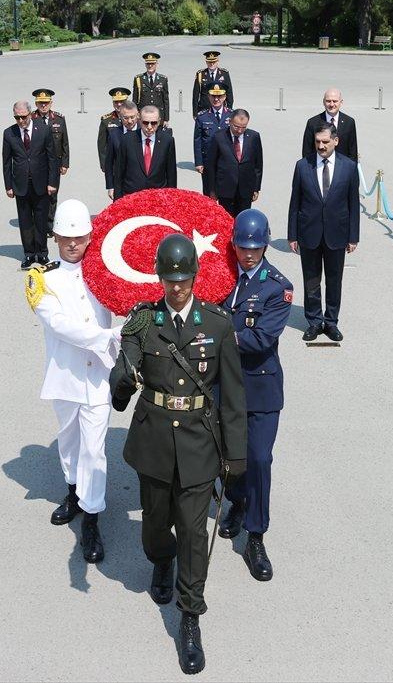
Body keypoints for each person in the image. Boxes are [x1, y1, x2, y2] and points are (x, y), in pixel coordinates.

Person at [110, 233, 247, 676]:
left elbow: (233, 398)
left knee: (193, 533)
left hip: (198, 444)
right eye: (170, 280)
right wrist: (124, 377)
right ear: (160, 277)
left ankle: (190, 619)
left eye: (184, 279)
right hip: (153, 443)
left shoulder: (218, 325)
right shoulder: (143, 321)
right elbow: (123, 365)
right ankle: (160, 560)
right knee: (155, 528)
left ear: (195, 276)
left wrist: (236, 455)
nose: (177, 288)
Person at [26, 199, 119, 564]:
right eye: (66, 238)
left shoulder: (104, 273)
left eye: (79, 237)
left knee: (94, 450)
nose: (73, 244)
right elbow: (59, 325)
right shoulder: (41, 279)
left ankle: (92, 519)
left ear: (90, 236)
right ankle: (73, 491)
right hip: (64, 375)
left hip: (98, 376)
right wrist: (108, 337)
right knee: (69, 442)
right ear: (55, 238)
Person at [217, 209, 292, 583]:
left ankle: (256, 535)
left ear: (265, 244)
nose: (248, 254)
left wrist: (219, 338)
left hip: (260, 387)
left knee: (259, 459)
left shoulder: (277, 287)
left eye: (255, 247)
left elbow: (262, 338)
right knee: (230, 458)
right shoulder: (222, 276)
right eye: (242, 246)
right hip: (226, 385)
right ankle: (237, 502)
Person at [287, 124, 359, 342]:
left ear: (335, 141)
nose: (321, 146)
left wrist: (353, 236)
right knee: (311, 280)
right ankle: (314, 321)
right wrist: (292, 235)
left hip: (337, 233)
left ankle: (331, 322)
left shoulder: (349, 167)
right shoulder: (302, 166)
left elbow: (353, 204)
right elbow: (295, 203)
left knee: (334, 280)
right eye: (318, 142)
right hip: (309, 232)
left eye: (325, 142)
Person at [2, 101, 59, 268]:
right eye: (17, 117)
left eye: (23, 117)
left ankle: (42, 253)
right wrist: (8, 186)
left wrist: (52, 182)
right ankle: (28, 254)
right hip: (20, 184)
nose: (21, 121)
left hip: (41, 183)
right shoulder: (9, 133)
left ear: (30, 114)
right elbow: (6, 162)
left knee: (41, 220)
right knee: (25, 221)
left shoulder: (43, 129)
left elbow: (52, 158)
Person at [205, 108, 262, 217]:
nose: (239, 130)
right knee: (226, 219)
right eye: (236, 126)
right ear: (230, 121)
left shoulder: (254, 137)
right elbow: (211, 165)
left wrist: (256, 188)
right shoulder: (219, 137)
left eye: (243, 127)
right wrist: (212, 189)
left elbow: (258, 165)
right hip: (225, 189)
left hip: (246, 189)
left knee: (243, 219)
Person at [112, 105, 176, 200]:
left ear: (159, 122)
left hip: (158, 199)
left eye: (153, 123)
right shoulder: (127, 140)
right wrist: (117, 202)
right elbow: (119, 173)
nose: (149, 127)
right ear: (139, 120)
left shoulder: (167, 141)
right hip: (131, 198)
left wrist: (172, 200)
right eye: (145, 123)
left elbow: (171, 174)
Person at [31, 88, 69, 231]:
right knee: (37, 193)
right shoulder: (31, 119)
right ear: (36, 103)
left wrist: (65, 163)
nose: (43, 106)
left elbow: (65, 142)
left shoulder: (59, 119)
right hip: (37, 165)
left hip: (55, 164)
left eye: (46, 103)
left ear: (51, 103)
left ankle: (49, 223)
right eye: (40, 103)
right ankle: (38, 222)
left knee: (52, 194)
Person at [301, 88, 358, 162]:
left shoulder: (349, 122)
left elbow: (352, 151)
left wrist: (351, 170)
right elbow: (307, 151)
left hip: (342, 168)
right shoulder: (312, 123)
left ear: (341, 102)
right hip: (319, 167)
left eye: (335, 101)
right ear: (323, 102)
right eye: (328, 101)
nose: (331, 104)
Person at [192, 84, 232, 191]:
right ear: (209, 97)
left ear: (224, 97)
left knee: (226, 193)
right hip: (208, 161)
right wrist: (199, 162)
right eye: (213, 96)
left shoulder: (231, 115)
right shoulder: (202, 117)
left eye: (219, 96)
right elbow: (197, 141)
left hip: (226, 161)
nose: (216, 99)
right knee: (209, 193)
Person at [103, 100, 139, 199]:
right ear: (120, 117)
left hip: (141, 183)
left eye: (132, 117)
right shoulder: (114, 134)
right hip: (120, 185)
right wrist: (110, 186)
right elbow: (109, 163)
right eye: (126, 118)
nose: (130, 121)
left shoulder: (144, 131)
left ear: (138, 115)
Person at [133, 52, 170, 130]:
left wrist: (166, 119)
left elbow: (166, 100)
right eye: (148, 63)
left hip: (158, 116)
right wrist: (135, 116)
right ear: (145, 64)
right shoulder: (138, 79)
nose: (150, 66)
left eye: (152, 63)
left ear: (157, 64)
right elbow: (135, 100)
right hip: (144, 116)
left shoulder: (163, 79)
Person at [96, 86, 129, 172]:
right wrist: (104, 165)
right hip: (114, 164)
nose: (118, 104)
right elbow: (102, 145)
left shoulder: (136, 118)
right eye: (116, 102)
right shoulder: (106, 120)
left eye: (121, 101)